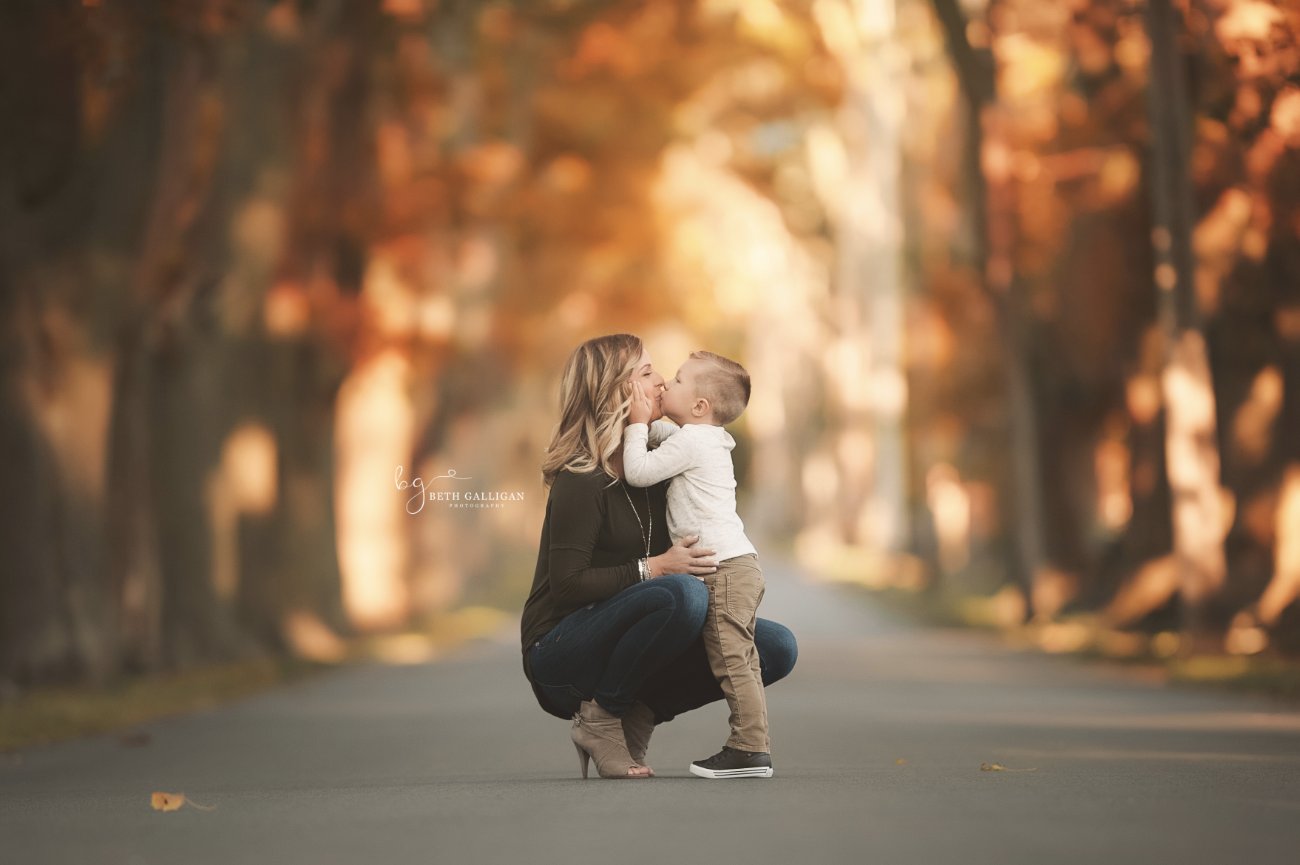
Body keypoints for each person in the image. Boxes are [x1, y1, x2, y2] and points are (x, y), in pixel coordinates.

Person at [520, 334, 798, 779]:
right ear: (616, 391)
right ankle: (600, 716)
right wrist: (655, 567)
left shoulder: (662, 463)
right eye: (648, 373)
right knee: (682, 594)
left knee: (775, 647)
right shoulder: (581, 480)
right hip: (562, 655)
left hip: (632, 641)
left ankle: (638, 715)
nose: (664, 381)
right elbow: (567, 586)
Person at [623, 350, 773, 779]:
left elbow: (639, 471)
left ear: (700, 406)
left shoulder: (691, 441)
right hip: (735, 565)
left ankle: (750, 747)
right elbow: (663, 437)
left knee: (732, 660)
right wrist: (647, 424)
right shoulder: (701, 437)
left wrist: (636, 424)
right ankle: (751, 745)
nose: (667, 382)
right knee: (737, 657)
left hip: (724, 569)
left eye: (679, 380)